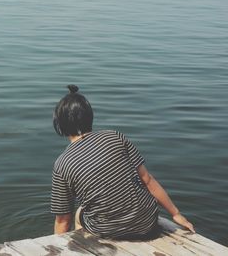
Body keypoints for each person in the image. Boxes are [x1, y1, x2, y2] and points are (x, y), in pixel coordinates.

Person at [51, 84, 195, 239]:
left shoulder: (62, 163)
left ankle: (87, 247)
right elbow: (147, 179)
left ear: (60, 124)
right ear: (89, 116)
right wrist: (176, 214)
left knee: (79, 213)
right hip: (148, 221)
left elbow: (63, 220)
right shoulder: (115, 137)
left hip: (109, 230)